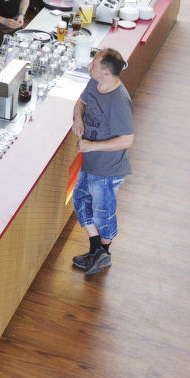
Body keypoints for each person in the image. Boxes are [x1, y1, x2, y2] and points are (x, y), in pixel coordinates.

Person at [69, 47, 135, 276]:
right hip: (91, 162)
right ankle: (97, 252)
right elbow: (80, 102)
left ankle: (102, 254)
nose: (90, 66)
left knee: (103, 213)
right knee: (79, 200)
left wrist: (92, 145)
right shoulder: (95, 84)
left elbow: (127, 139)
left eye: (94, 64)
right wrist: (78, 118)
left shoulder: (119, 101)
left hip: (107, 170)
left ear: (106, 72)